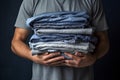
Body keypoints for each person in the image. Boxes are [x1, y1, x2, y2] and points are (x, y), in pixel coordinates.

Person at [11, 0, 109, 80]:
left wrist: (93, 58)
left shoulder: (92, 1)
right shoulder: (32, 1)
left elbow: (104, 40)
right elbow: (16, 42)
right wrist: (32, 56)